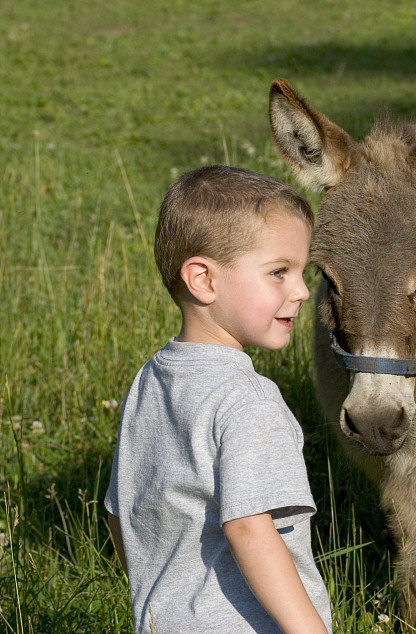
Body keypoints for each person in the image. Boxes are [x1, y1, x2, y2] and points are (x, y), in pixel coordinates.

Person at [104, 166, 332, 633]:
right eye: (279, 273)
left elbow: (118, 512)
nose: (303, 291)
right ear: (203, 280)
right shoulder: (249, 402)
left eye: (303, 272)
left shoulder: (150, 380)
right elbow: (249, 527)